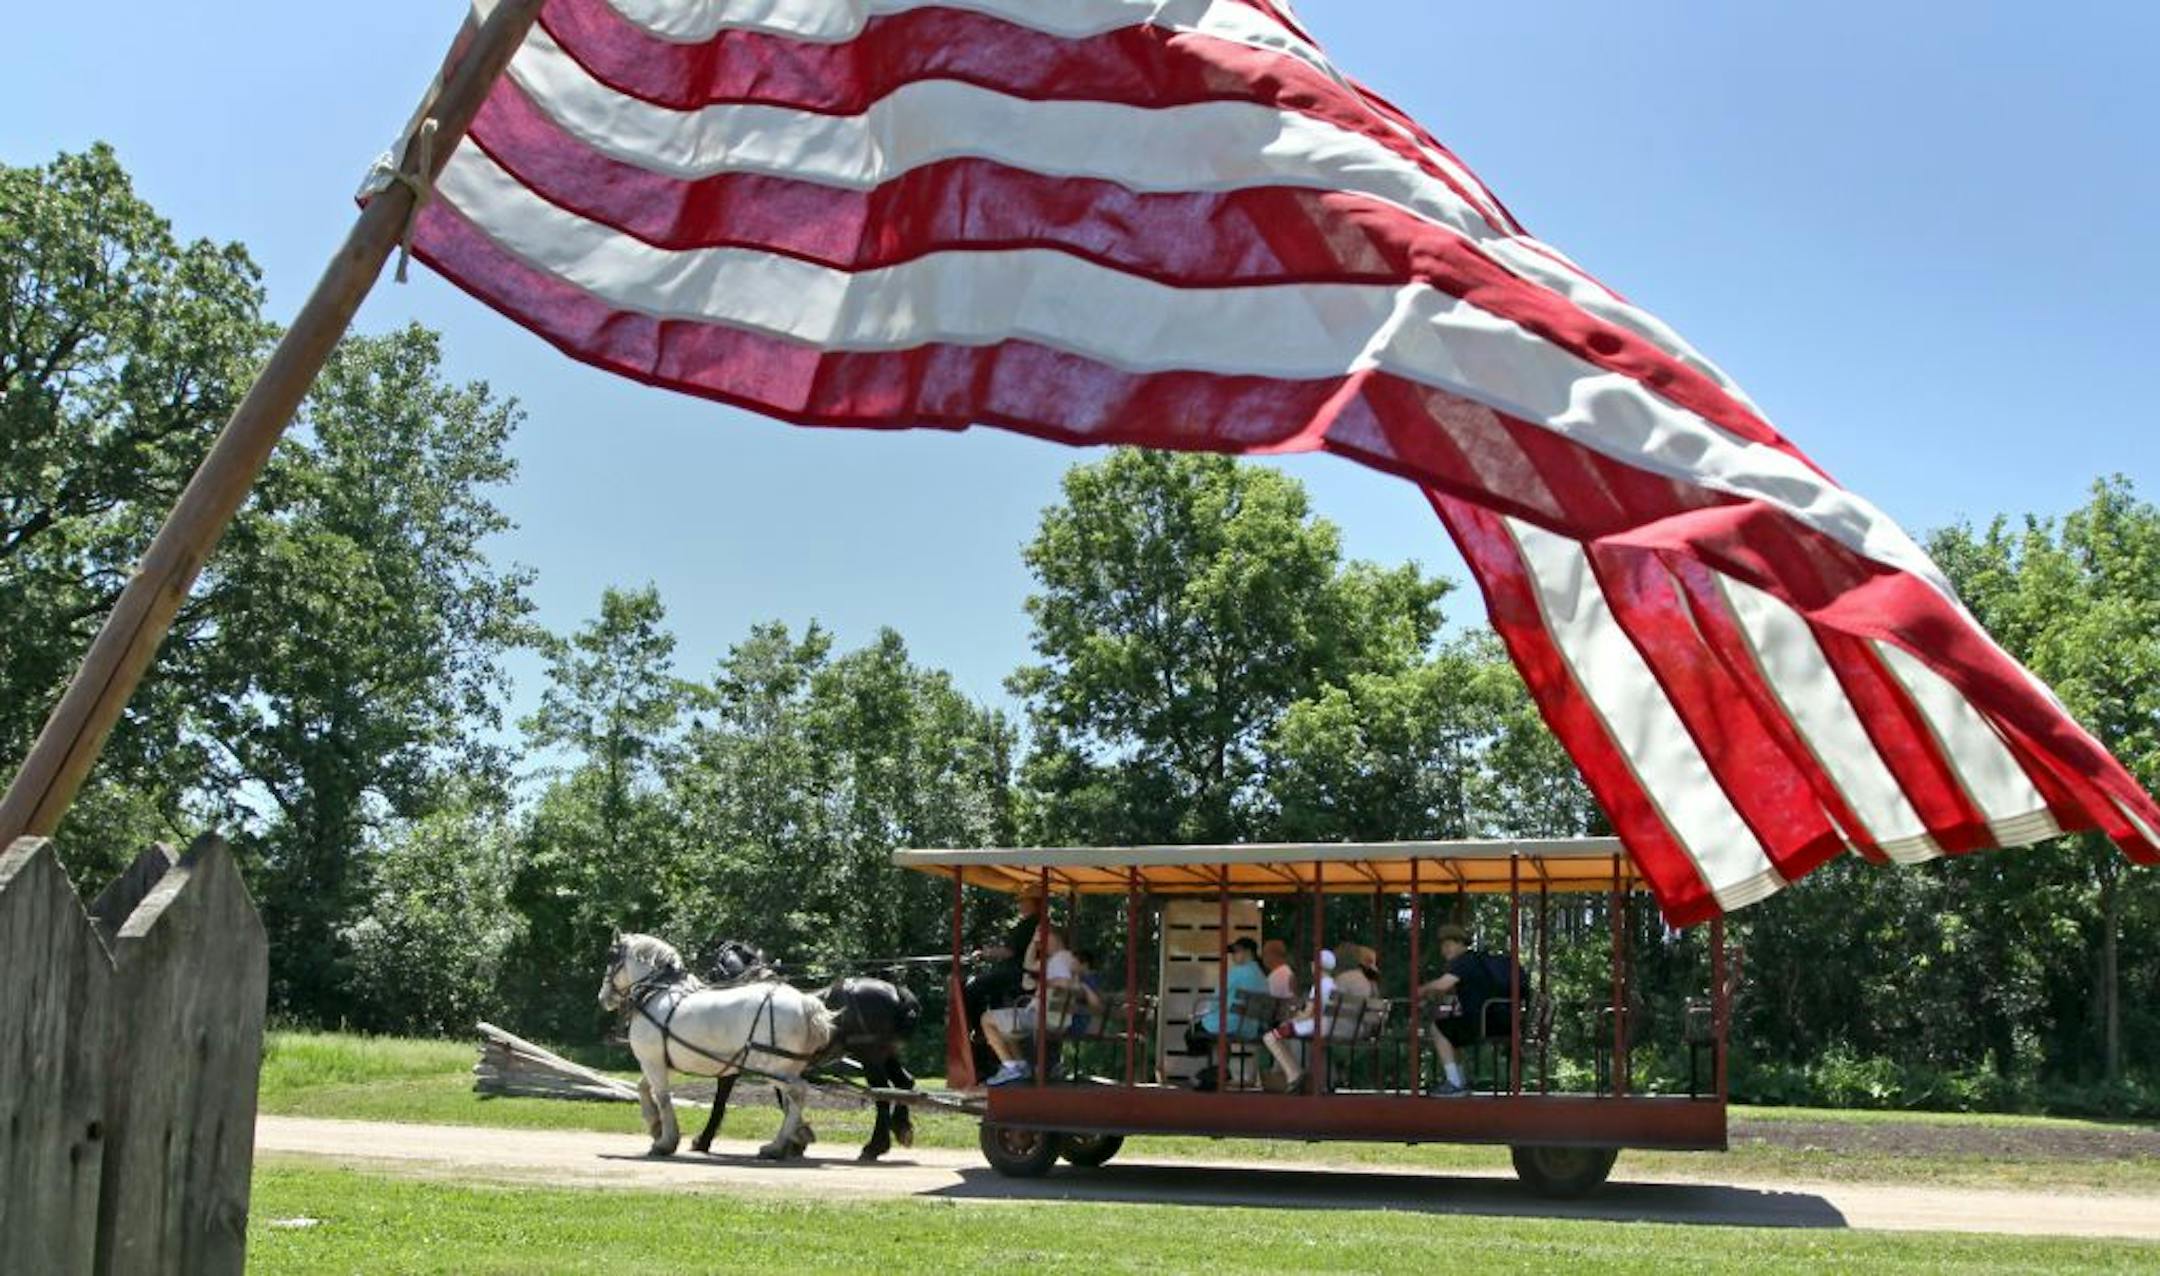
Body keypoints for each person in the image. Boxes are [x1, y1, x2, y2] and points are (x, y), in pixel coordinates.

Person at [981, 925, 1084, 1086]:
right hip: (1055, 1017)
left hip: (1044, 1017)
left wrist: (1042, 981)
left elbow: (1032, 968)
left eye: (1044, 939)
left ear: (1054, 938)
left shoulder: (1058, 961)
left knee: (987, 1019)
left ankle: (1011, 1067)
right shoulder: (1064, 960)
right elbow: (1029, 971)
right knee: (1006, 1025)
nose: (1042, 944)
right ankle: (1020, 1067)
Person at [960, 887, 1046, 1076]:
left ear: (1035, 903)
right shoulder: (1037, 923)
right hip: (1016, 972)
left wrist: (985, 953)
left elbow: (1009, 951)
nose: (1020, 904)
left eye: (1024, 901)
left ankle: (977, 1031)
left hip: (1017, 974)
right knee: (988, 985)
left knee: (973, 988)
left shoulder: (1031, 923)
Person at [1415, 924, 1495, 1097]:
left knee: (1437, 1028)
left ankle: (1454, 1083)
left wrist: (1421, 990)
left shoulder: (1464, 961)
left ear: (1460, 943)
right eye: (1442, 946)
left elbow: (1444, 984)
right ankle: (1459, 1081)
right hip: (1490, 1018)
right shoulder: (1475, 960)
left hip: (1482, 1021)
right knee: (1450, 1032)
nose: (1444, 950)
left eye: (1448, 945)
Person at [1185, 937, 1270, 1091]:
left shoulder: (1235, 973)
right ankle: (1221, 1070)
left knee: (1193, 1033)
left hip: (1229, 1023)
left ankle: (1218, 1070)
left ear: (1247, 952)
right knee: (1221, 1036)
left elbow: (1216, 1000)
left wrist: (1200, 1015)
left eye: (1236, 952)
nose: (1233, 956)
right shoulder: (1262, 976)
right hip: (1250, 1028)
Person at [1260, 948, 1337, 1092]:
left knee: (1270, 1037)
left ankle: (1292, 1073)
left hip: (1313, 1026)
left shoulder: (1319, 985)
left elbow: (1308, 1012)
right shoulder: (1332, 984)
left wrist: (1293, 1019)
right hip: (1327, 1026)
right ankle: (1296, 1073)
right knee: (1282, 1032)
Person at [1065, 949, 1107, 1038]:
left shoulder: (1088, 981)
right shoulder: (1091, 979)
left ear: (1085, 965)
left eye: (1074, 963)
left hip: (1078, 1026)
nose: (1070, 966)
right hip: (1080, 1024)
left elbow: (1096, 1004)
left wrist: (1083, 986)